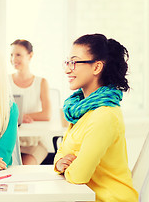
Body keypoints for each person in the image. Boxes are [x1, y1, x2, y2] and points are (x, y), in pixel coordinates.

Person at [55, 34, 138, 201]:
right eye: (67, 62)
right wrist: (60, 163)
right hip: (86, 196)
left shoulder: (104, 115)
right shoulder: (80, 109)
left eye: (74, 62)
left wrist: (69, 166)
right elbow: (61, 153)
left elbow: (79, 175)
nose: (67, 69)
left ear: (97, 67)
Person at [9, 39, 51, 165]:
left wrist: (22, 117)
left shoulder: (41, 82)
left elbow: (46, 114)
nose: (13, 59)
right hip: (12, 141)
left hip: (34, 142)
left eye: (18, 55)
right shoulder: (5, 81)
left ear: (30, 56)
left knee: (24, 168)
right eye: (11, 55)